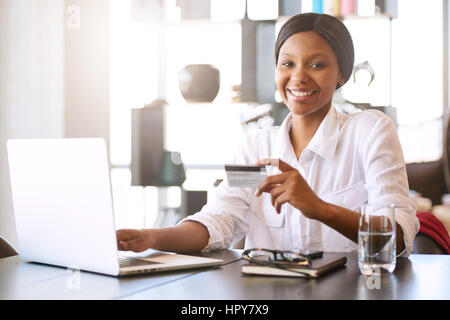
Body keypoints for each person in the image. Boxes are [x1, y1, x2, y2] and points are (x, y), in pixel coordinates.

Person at [116, 13, 419, 256]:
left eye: (317, 65)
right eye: (287, 63)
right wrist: (152, 236)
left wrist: (321, 209)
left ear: (342, 74)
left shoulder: (369, 132)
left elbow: (399, 236)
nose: (298, 76)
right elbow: (220, 222)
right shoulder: (254, 148)